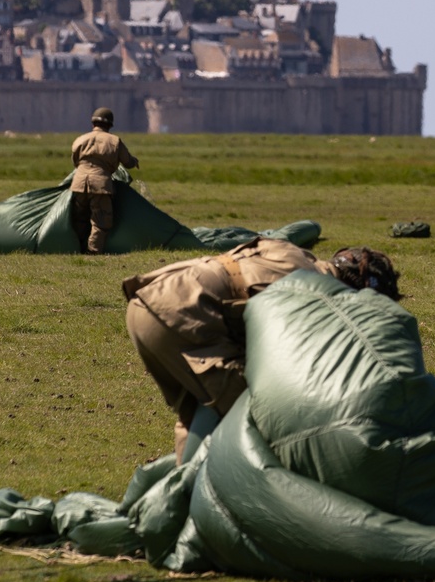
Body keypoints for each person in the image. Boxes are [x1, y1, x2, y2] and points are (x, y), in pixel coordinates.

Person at [123, 238, 400, 462]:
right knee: (254, 408)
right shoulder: (320, 296)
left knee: (199, 411)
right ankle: (186, 501)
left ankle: (174, 501)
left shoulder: (293, 253)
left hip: (147, 301)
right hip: (180, 317)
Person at [70, 108, 139, 254]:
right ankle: (93, 251)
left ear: (93, 122)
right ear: (110, 125)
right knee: (101, 220)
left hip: (78, 183)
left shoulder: (80, 139)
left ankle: (78, 248)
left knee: (79, 218)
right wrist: (134, 161)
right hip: (101, 184)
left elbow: (75, 162)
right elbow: (127, 162)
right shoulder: (114, 141)